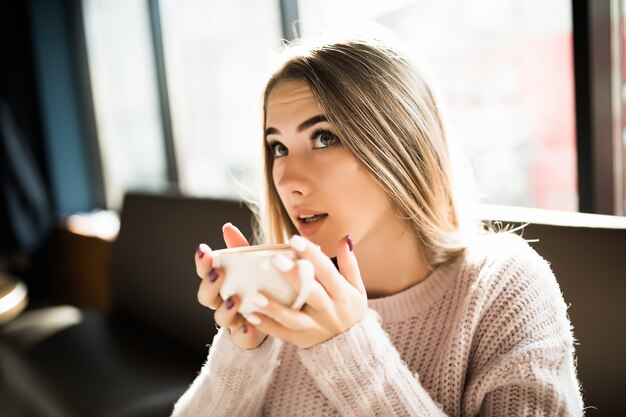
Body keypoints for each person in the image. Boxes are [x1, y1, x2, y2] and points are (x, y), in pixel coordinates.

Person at [171, 34, 583, 416]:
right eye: (278, 147)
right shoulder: (285, 289)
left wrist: (347, 347)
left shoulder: (502, 288)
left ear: (399, 145)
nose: (288, 180)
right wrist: (243, 349)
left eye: (324, 137)